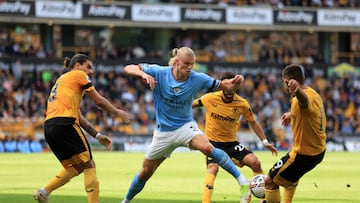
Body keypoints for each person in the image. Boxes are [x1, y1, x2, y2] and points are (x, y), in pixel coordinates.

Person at [121, 47, 251, 203]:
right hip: (163, 132)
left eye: (192, 64)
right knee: (145, 173)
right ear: (177, 62)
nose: (190, 68)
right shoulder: (159, 72)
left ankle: (242, 181)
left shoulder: (198, 78)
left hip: (185, 126)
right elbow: (128, 67)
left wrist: (235, 83)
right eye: (187, 64)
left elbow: (225, 87)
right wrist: (143, 74)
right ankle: (126, 200)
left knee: (207, 148)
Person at [33, 54, 131, 203]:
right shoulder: (78, 75)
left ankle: (44, 192)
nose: (91, 71)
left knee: (77, 167)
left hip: (50, 128)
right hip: (65, 124)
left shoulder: (62, 82)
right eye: (88, 67)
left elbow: (80, 118)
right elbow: (98, 101)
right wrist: (117, 112)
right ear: (78, 65)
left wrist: (98, 136)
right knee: (89, 164)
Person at [192, 72, 278, 203]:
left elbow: (253, 122)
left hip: (231, 144)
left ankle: (262, 198)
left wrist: (264, 141)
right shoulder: (210, 98)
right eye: (227, 85)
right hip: (212, 144)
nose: (230, 88)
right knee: (213, 168)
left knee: (255, 163)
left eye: (233, 85)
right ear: (222, 86)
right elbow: (190, 104)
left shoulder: (242, 104)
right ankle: (206, 201)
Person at [264, 64, 326, 203]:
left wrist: (297, 91)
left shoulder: (301, 99)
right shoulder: (314, 93)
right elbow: (310, 113)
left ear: (287, 82)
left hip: (303, 154)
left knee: (269, 181)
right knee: (290, 178)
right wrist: (292, 115)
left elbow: (304, 104)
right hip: (318, 151)